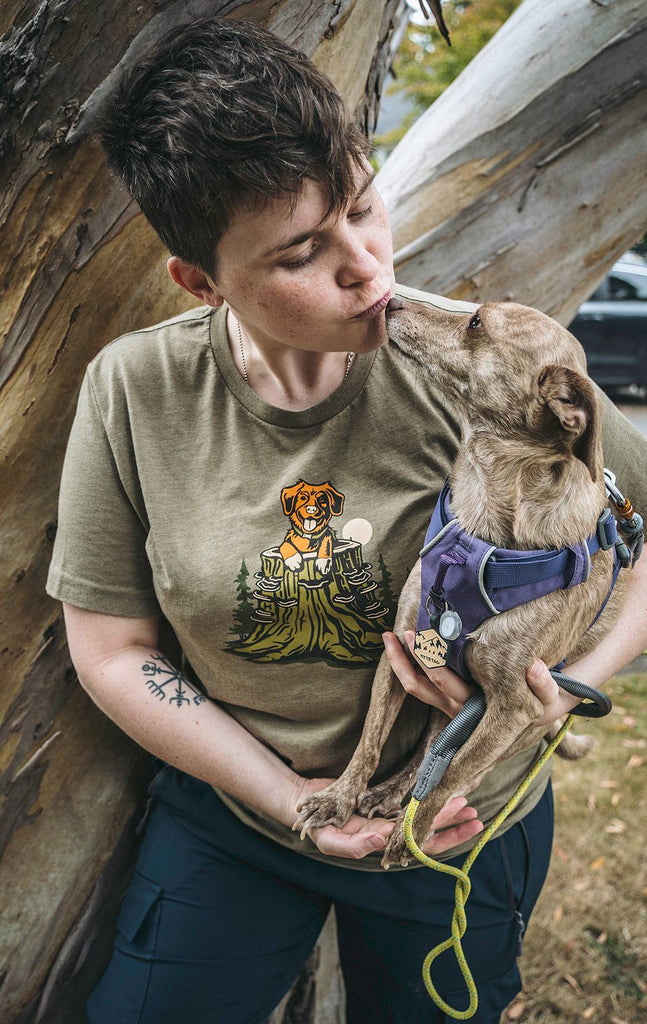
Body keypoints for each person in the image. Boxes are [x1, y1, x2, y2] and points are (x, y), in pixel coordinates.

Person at [45, 17, 647, 1024]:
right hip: (236, 817)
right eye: (301, 253)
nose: (369, 270)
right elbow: (109, 649)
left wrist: (573, 678)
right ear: (200, 280)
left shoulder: (475, 373)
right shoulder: (136, 389)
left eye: (364, 207)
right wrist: (295, 804)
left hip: (461, 830)